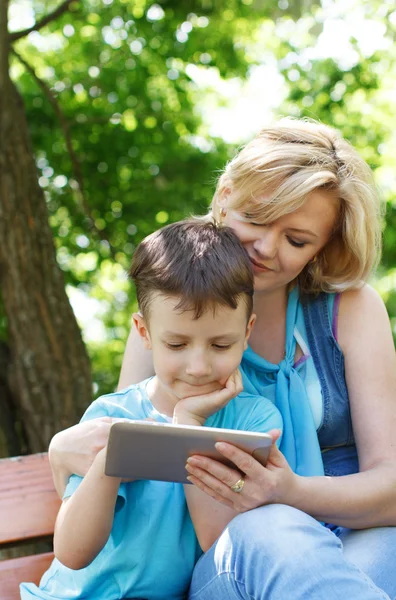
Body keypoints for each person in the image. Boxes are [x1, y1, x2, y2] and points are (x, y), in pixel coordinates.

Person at [48, 118, 396, 599]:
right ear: (225, 195)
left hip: (343, 526)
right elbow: (131, 437)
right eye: (254, 218)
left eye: (297, 240)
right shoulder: (170, 320)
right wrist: (61, 449)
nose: (266, 248)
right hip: (234, 555)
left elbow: (391, 484)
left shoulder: (349, 311)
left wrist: (288, 492)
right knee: (272, 533)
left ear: (324, 246)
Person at [20, 220, 283, 600]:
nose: (198, 367)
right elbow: (73, 554)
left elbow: (220, 545)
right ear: (144, 333)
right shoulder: (112, 415)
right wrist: (111, 461)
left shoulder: (254, 422)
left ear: (247, 332)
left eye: (221, 345)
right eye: (176, 345)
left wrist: (188, 425)